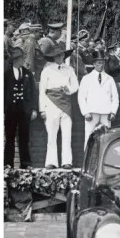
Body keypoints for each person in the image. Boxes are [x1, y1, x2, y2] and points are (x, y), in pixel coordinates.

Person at [38, 40, 79, 169]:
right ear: (53, 57)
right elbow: (42, 91)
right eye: (56, 55)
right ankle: (51, 162)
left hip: (66, 104)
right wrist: (42, 109)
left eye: (61, 55)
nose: (59, 57)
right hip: (51, 104)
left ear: (64, 56)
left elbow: (76, 85)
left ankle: (67, 162)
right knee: (52, 135)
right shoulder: (47, 70)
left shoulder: (69, 69)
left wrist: (69, 90)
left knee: (67, 135)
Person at [78, 49, 119, 148]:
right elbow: (81, 97)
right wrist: (85, 112)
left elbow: (115, 96)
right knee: (88, 137)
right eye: (98, 63)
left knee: (107, 138)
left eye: (102, 63)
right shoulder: (86, 78)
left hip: (106, 112)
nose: (100, 65)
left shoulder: (109, 79)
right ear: (94, 64)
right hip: (91, 112)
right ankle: (86, 161)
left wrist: (113, 112)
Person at [5, 46, 37, 167]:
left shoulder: (28, 74)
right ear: (13, 60)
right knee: (10, 137)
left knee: (24, 137)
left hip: (24, 110)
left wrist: (33, 109)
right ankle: (8, 163)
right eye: (17, 59)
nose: (20, 61)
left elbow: (33, 92)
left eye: (21, 58)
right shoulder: (6, 75)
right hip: (11, 111)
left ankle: (25, 163)